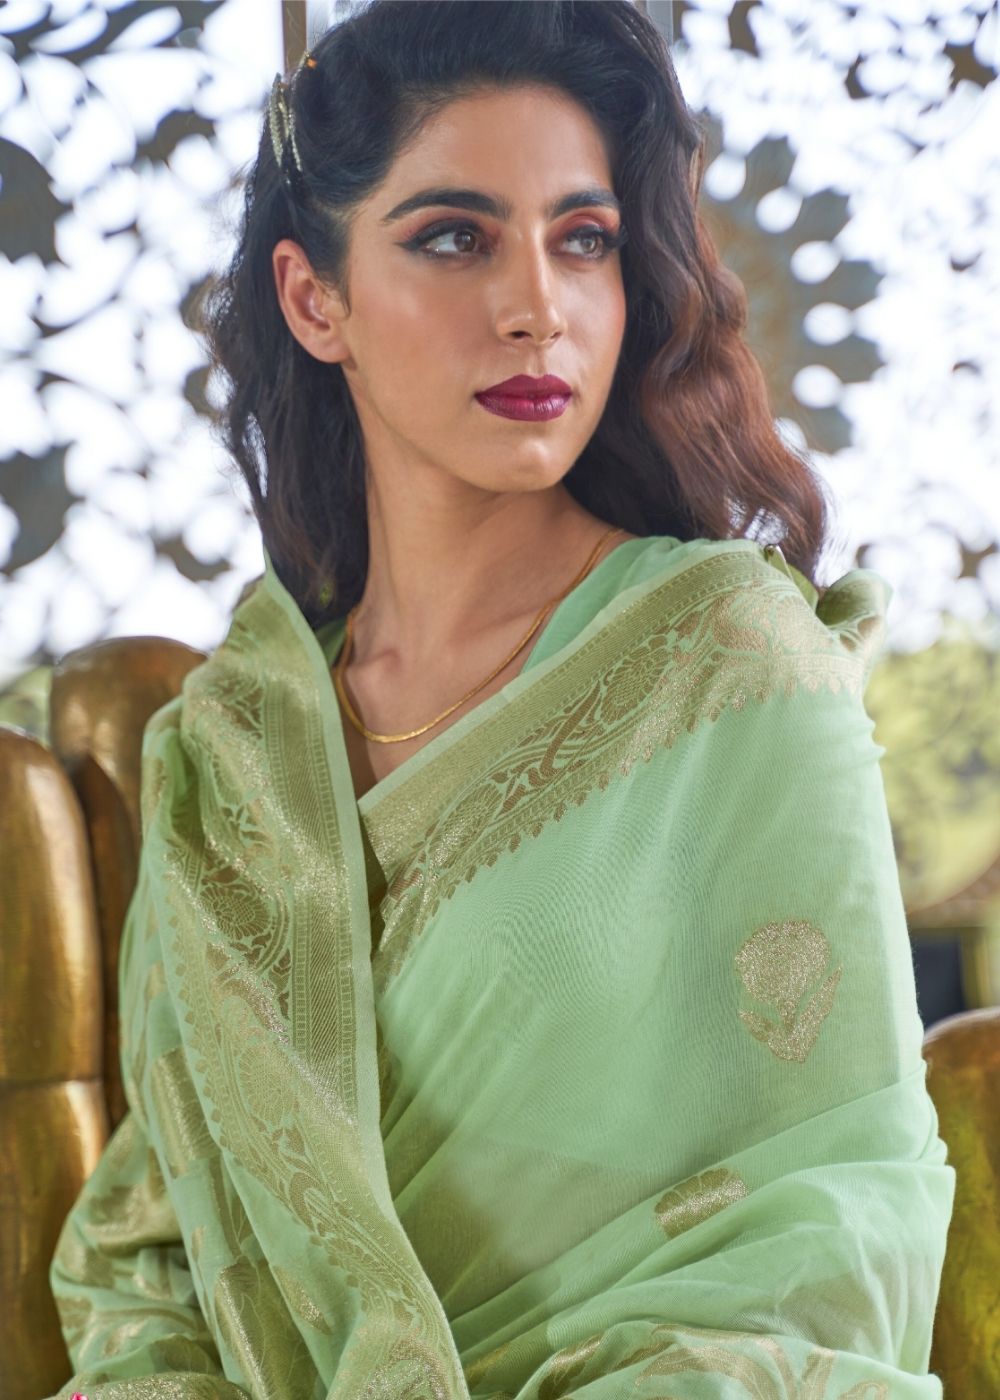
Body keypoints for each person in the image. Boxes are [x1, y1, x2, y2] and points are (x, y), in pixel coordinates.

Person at [46, 2, 954, 1396]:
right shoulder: (227, 756)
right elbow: (149, 1258)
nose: (539, 305)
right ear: (315, 300)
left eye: (583, 239)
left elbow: (834, 1216)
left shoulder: (730, 664)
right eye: (455, 238)